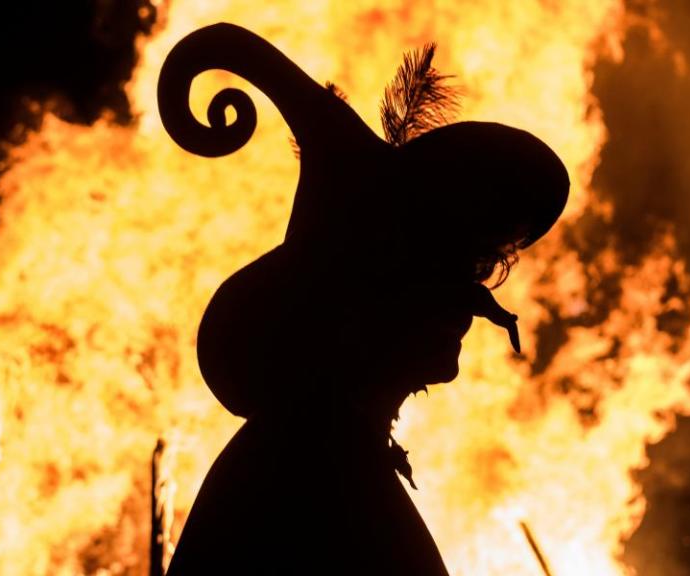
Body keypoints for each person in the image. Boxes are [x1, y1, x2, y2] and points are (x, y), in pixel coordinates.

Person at [158, 23, 569, 576]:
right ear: (363, 303)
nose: (467, 306)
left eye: (467, 275)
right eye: (437, 275)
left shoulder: (314, 447)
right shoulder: (315, 462)